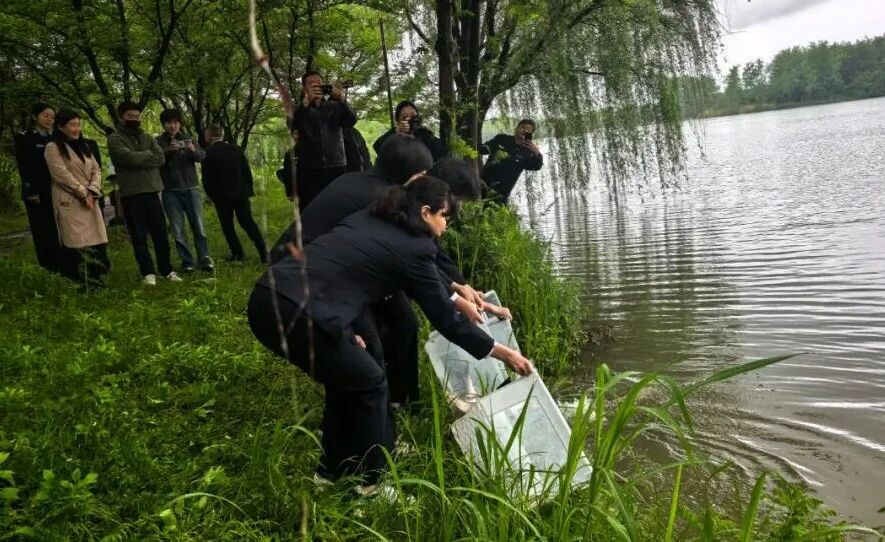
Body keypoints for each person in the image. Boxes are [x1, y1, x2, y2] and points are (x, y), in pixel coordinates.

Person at [247, 176, 532, 494]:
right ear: (425, 212)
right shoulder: (415, 247)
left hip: (276, 294)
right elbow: (447, 321)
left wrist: (347, 328)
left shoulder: (374, 219)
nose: (446, 225)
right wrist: (504, 353)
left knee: (349, 378)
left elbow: (344, 272)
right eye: (444, 217)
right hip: (294, 310)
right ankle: (372, 487)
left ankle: (332, 473)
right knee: (368, 382)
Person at [108, 101, 180, 286]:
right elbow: (127, 158)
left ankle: (167, 270)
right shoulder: (115, 138)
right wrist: (147, 155)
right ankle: (148, 273)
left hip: (152, 191)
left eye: (137, 116)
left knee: (160, 234)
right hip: (131, 194)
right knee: (139, 236)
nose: (134, 119)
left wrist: (139, 157)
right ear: (121, 117)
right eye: (130, 116)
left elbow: (160, 158)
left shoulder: (147, 136)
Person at [43, 110, 110, 288]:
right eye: (72, 125)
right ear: (60, 126)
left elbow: (96, 169)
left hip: (90, 198)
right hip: (70, 200)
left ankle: (97, 278)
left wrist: (92, 190)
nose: (76, 129)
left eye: (78, 125)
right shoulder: (53, 147)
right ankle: (81, 281)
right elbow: (61, 174)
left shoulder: (84, 146)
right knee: (76, 241)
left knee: (95, 240)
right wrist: (82, 192)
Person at [288, 71, 357, 209]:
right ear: (304, 89)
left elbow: (352, 120)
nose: (316, 85)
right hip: (310, 167)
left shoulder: (334, 105)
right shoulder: (300, 109)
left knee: (338, 205)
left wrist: (341, 98)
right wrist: (306, 102)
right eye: (311, 83)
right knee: (313, 206)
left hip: (336, 164)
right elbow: (292, 124)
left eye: (318, 82)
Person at [14, 103, 69, 274]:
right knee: (43, 229)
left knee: (61, 227)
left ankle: (66, 266)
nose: (50, 120)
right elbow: (25, 166)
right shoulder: (25, 137)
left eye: (52, 117)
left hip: (57, 189)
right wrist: (30, 191)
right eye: (46, 116)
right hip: (38, 191)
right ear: (34, 117)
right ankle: (49, 268)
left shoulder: (56, 137)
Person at [156, 109, 213, 272]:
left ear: (180, 124)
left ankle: (204, 259)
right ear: (163, 124)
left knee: (199, 226)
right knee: (177, 229)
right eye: (168, 123)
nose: (172, 126)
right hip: (170, 191)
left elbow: (202, 157)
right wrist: (169, 151)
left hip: (191, 188)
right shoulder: (158, 141)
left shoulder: (189, 138)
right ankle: (187, 262)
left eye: (175, 122)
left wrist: (192, 149)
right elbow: (155, 160)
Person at [201, 124, 267, 263]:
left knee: (228, 226)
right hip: (240, 194)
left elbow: (207, 180)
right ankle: (263, 252)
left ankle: (237, 254)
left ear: (208, 136)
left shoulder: (209, 153)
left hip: (222, 197)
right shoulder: (236, 149)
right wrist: (248, 190)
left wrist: (212, 197)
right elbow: (246, 172)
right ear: (221, 135)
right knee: (248, 222)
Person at [479, 119, 543, 204]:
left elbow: (537, 166)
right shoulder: (501, 139)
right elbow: (482, 150)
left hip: (500, 197)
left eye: (528, 129)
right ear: (516, 128)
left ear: (530, 134)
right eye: (522, 127)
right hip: (481, 188)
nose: (525, 130)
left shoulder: (527, 153)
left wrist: (537, 152)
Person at [373, 100, 447, 162]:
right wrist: (397, 131)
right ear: (398, 121)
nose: (409, 119)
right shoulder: (394, 135)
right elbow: (378, 147)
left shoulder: (424, 134)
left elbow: (441, 152)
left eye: (413, 116)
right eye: (404, 117)